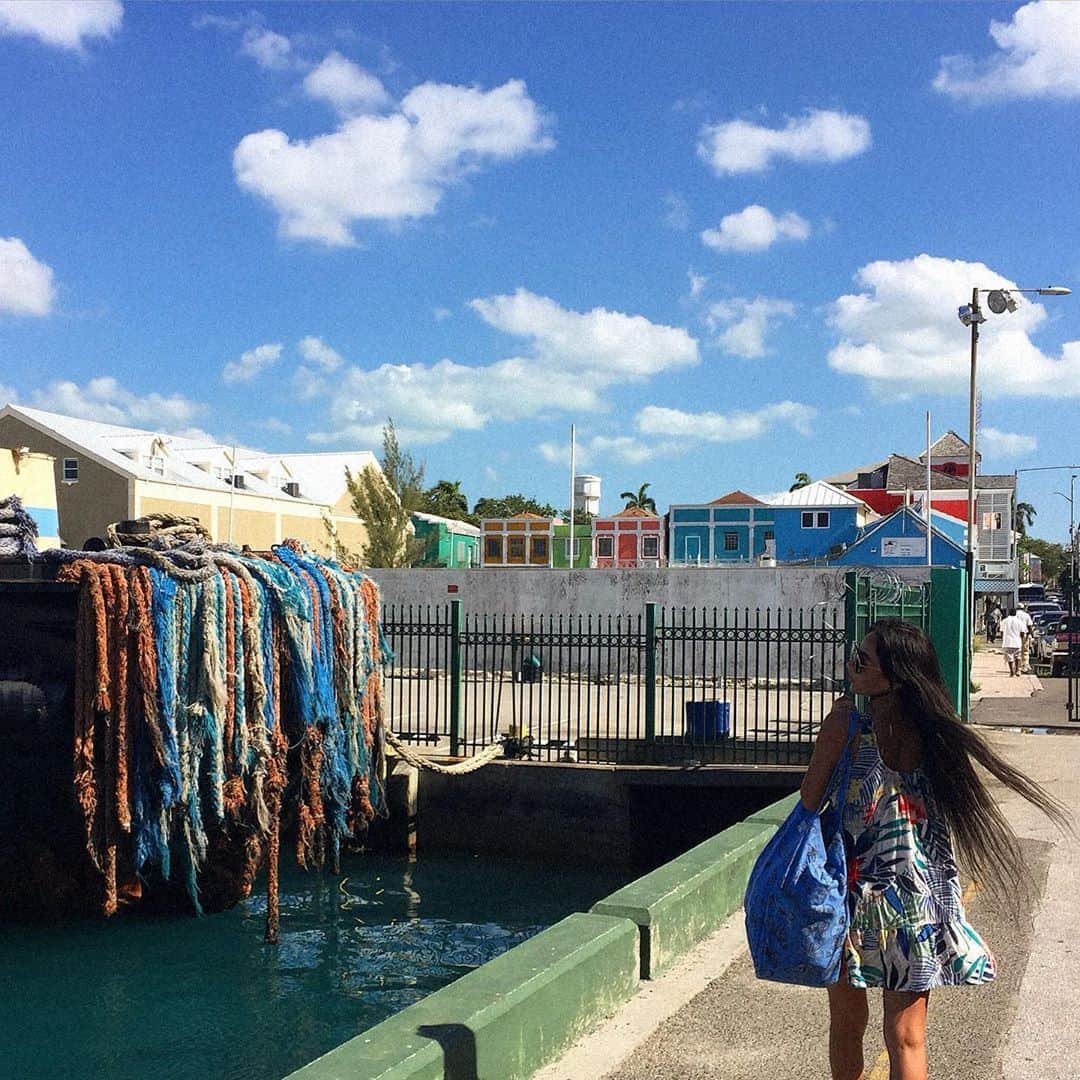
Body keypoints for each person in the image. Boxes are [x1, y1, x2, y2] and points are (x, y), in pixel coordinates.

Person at [800, 618, 1070, 1080]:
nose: (852, 665)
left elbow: (809, 800)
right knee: (906, 1036)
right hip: (919, 899)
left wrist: (834, 733)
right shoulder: (937, 733)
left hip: (853, 894)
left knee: (847, 1024)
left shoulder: (846, 726)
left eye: (861, 659)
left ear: (893, 674)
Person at [999, 608, 1025, 677]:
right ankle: (1017, 670)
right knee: (1017, 656)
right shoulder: (1019, 622)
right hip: (1017, 642)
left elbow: (1001, 631)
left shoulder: (1004, 621)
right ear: (1015, 613)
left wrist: (1003, 638)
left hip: (1007, 642)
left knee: (1009, 657)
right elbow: (1022, 632)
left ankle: (1011, 671)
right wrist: (1022, 640)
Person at [1016, 604, 1034, 674]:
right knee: (1025, 651)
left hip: (1016, 635)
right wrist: (1031, 635)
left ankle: (1018, 667)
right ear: (1023, 608)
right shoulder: (1026, 615)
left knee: (1017, 651)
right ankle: (1025, 667)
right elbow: (1029, 626)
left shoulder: (1014, 615)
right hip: (1024, 635)